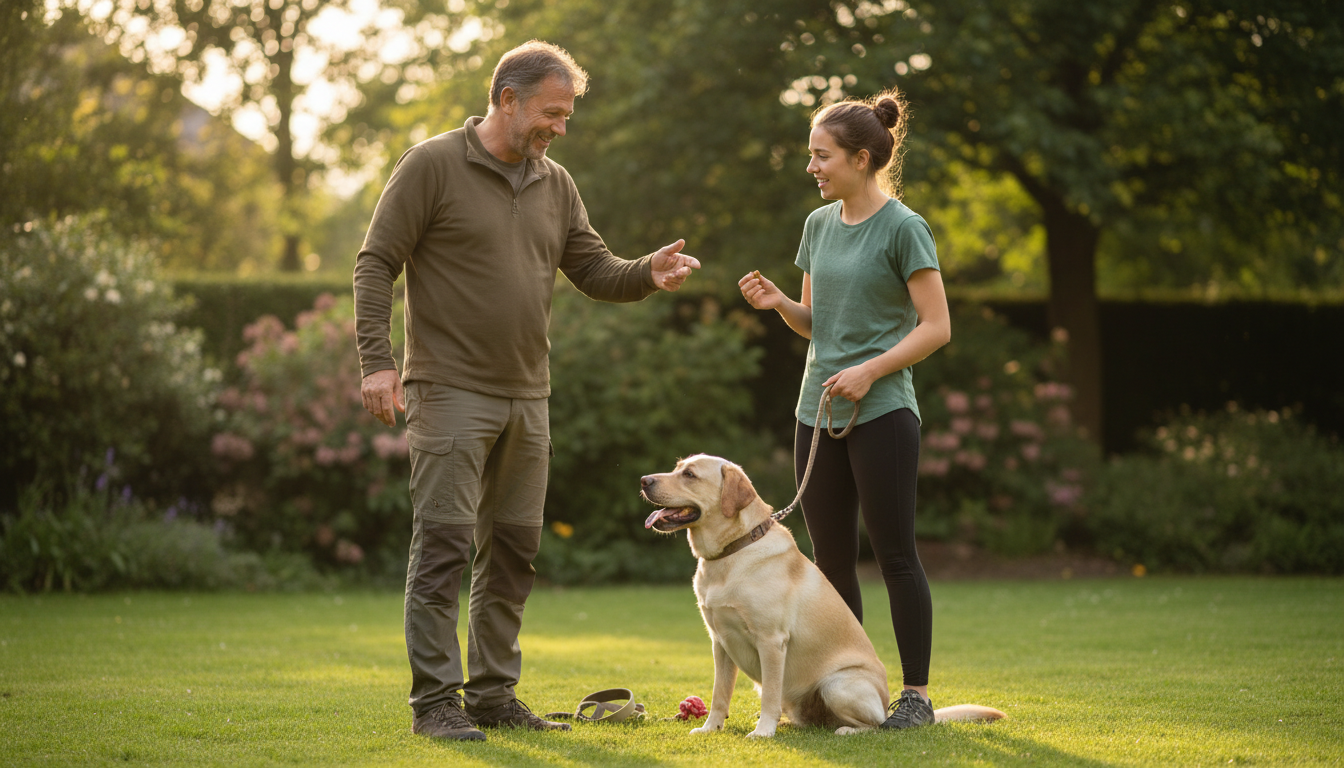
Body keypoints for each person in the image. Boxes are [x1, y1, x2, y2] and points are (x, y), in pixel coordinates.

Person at [354, 40, 700, 742]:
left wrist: (645, 273)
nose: (561, 128)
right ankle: (435, 706)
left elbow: (594, 269)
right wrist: (377, 362)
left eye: (566, 115)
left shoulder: (556, 182)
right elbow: (375, 262)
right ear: (506, 99)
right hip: (449, 390)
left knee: (513, 551)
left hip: (527, 394)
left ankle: (491, 695)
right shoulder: (432, 165)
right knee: (445, 546)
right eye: (551, 112)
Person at [738, 88, 951, 729]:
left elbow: (935, 327)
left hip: (883, 411)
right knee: (830, 562)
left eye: (822, 156)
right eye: (811, 156)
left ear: (861, 159)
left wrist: (871, 370)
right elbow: (816, 325)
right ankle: (845, 683)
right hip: (815, 413)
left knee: (894, 555)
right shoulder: (817, 226)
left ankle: (913, 694)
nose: (812, 168)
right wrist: (779, 301)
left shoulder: (904, 228)